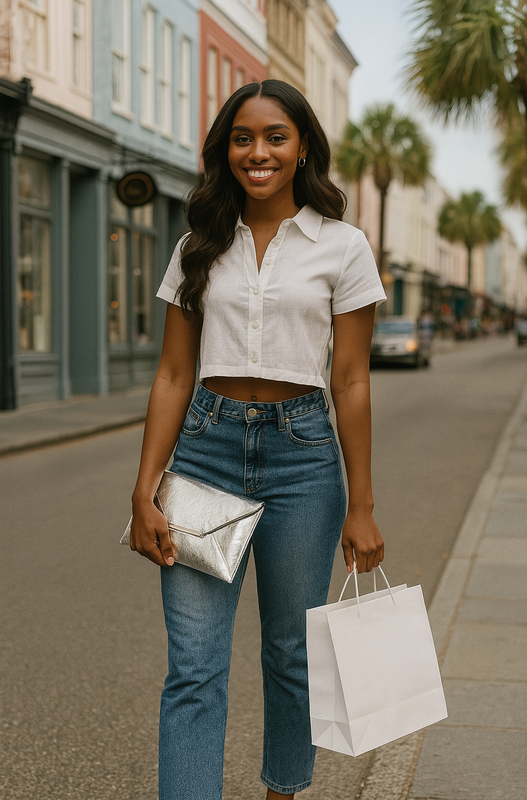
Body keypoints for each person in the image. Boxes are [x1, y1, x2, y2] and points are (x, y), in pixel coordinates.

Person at [129, 79, 386, 800]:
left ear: (302, 146)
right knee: (193, 667)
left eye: (275, 136)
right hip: (206, 451)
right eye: (242, 138)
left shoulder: (341, 247)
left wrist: (360, 504)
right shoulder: (198, 246)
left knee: (289, 655)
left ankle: (283, 791)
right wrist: (144, 487)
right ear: (224, 151)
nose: (258, 151)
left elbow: (352, 379)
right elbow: (176, 374)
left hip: (303, 458)